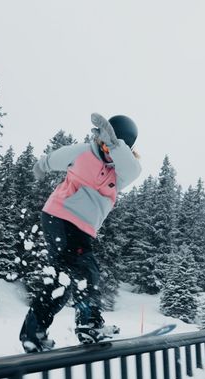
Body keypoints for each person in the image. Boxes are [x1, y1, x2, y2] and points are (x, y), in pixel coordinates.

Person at [19, 113, 142, 352]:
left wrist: (115, 143)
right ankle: (89, 324)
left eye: (114, 146)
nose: (107, 149)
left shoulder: (123, 173)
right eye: (104, 143)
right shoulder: (83, 152)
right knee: (86, 269)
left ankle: (34, 333)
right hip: (60, 216)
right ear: (98, 139)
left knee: (61, 282)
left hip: (82, 229)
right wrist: (41, 166)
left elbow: (132, 166)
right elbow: (55, 158)